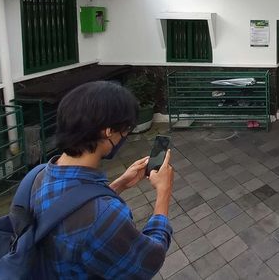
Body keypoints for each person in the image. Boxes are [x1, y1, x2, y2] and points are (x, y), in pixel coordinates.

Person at [31, 80, 174, 279]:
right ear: (109, 132)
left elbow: (69, 208)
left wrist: (120, 184)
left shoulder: (38, 176)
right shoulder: (104, 216)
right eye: (126, 129)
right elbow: (150, 259)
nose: (125, 136)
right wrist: (163, 193)